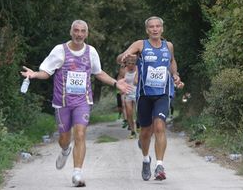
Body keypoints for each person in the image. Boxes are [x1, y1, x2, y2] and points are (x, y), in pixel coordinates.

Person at [20, 20, 131, 187]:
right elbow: (46, 72)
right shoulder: (60, 50)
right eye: (76, 31)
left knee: (80, 134)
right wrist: (35, 74)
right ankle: (65, 150)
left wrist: (116, 83)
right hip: (62, 102)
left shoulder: (91, 52)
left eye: (83, 31)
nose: (79, 34)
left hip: (83, 101)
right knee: (65, 138)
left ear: (87, 34)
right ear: (71, 32)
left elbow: (98, 72)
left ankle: (77, 173)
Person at [117, 16, 183, 181]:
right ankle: (146, 159)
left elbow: (172, 62)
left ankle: (159, 165)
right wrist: (125, 57)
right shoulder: (140, 45)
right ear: (147, 30)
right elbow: (122, 57)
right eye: (151, 27)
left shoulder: (168, 46)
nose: (155, 29)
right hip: (144, 95)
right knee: (146, 132)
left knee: (160, 127)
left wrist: (175, 75)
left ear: (162, 29)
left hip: (162, 94)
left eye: (157, 26)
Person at [119, 56, 139, 138]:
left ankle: (138, 124)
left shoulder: (138, 68)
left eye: (133, 63)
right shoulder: (123, 70)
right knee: (129, 113)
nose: (131, 65)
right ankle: (132, 131)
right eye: (129, 63)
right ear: (126, 63)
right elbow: (119, 79)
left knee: (139, 112)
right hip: (128, 93)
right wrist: (121, 88)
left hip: (137, 93)